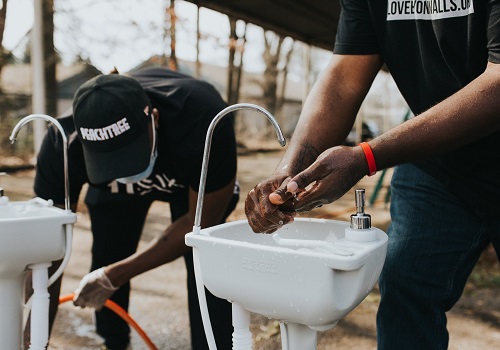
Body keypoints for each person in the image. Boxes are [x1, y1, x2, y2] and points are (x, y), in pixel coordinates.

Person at [245, 1, 499, 349]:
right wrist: (289, 170)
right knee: (405, 284)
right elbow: (343, 79)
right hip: (437, 164)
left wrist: (366, 156)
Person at [33, 67, 239, 350]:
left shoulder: (205, 121)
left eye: (129, 155)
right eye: (110, 163)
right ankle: (112, 343)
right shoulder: (62, 144)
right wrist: (33, 340)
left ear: (153, 119)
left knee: (205, 262)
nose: (122, 171)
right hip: (116, 196)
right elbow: (47, 252)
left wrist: (115, 275)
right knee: (107, 255)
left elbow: (198, 226)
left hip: (187, 177)